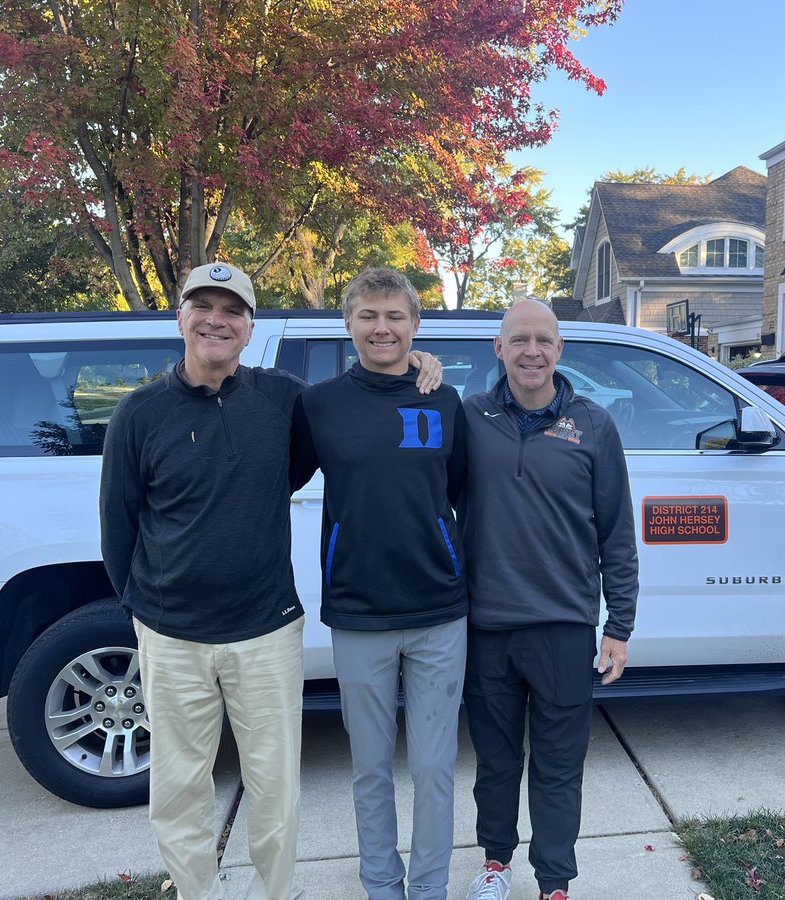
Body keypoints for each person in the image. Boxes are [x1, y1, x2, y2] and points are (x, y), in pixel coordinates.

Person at [99, 262, 440, 900]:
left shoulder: (284, 398)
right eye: (203, 306)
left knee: (275, 786)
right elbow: (118, 530)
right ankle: (198, 892)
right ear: (181, 317)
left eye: (232, 310)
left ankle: (274, 892)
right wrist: (145, 612)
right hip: (173, 636)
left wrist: (415, 362)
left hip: (266, 629)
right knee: (178, 786)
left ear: (250, 326)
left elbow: (356, 402)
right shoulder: (138, 414)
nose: (217, 320)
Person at [292, 268, 467, 900]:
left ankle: (429, 888)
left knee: (433, 766)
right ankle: (381, 885)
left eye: (395, 316)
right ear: (348, 324)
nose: (382, 328)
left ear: (416, 325)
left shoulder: (444, 399)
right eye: (368, 315)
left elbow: (456, 491)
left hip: (438, 610)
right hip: (358, 612)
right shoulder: (319, 404)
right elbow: (276, 475)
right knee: (370, 768)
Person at [459, 300, 639, 900]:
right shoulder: (470, 417)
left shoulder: (594, 425)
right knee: (495, 763)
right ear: (499, 348)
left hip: (564, 627)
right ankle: (495, 865)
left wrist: (619, 626)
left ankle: (554, 883)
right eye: (519, 340)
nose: (531, 351)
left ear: (560, 350)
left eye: (543, 340)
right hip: (487, 626)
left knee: (559, 767)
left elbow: (616, 533)